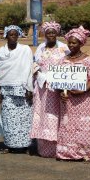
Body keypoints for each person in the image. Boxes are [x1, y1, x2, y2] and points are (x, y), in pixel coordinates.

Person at [56, 26, 90, 161]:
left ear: (81, 43)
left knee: (84, 126)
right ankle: (66, 153)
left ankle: (86, 153)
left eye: (74, 43)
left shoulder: (88, 60)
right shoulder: (63, 60)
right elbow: (57, 80)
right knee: (67, 125)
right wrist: (61, 92)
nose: (71, 45)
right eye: (69, 42)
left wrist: (84, 89)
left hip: (82, 100)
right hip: (67, 100)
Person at [30, 22, 69, 157]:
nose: (51, 35)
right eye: (48, 32)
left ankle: (58, 147)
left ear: (57, 33)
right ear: (44, 34)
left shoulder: (64, 48)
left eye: (53, 32)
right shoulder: (41, 47)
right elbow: (35, 64)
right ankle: (44, 149)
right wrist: (40, 76)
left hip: (58, 89)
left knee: (55, 116)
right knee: (42, 116)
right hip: (42, 89)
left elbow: (69, 65)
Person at [0, 25, 34, 153]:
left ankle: (26, 145)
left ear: (18, 36)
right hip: (6, 90)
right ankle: (9, 144)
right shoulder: (1, 52)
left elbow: (29, 69)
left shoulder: (25, 50)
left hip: (22, 89)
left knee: (24, 118)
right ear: (6, 36)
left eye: (15, 34)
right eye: (10, 35)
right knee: (8, 118)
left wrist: (29, 88)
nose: (13, 37)